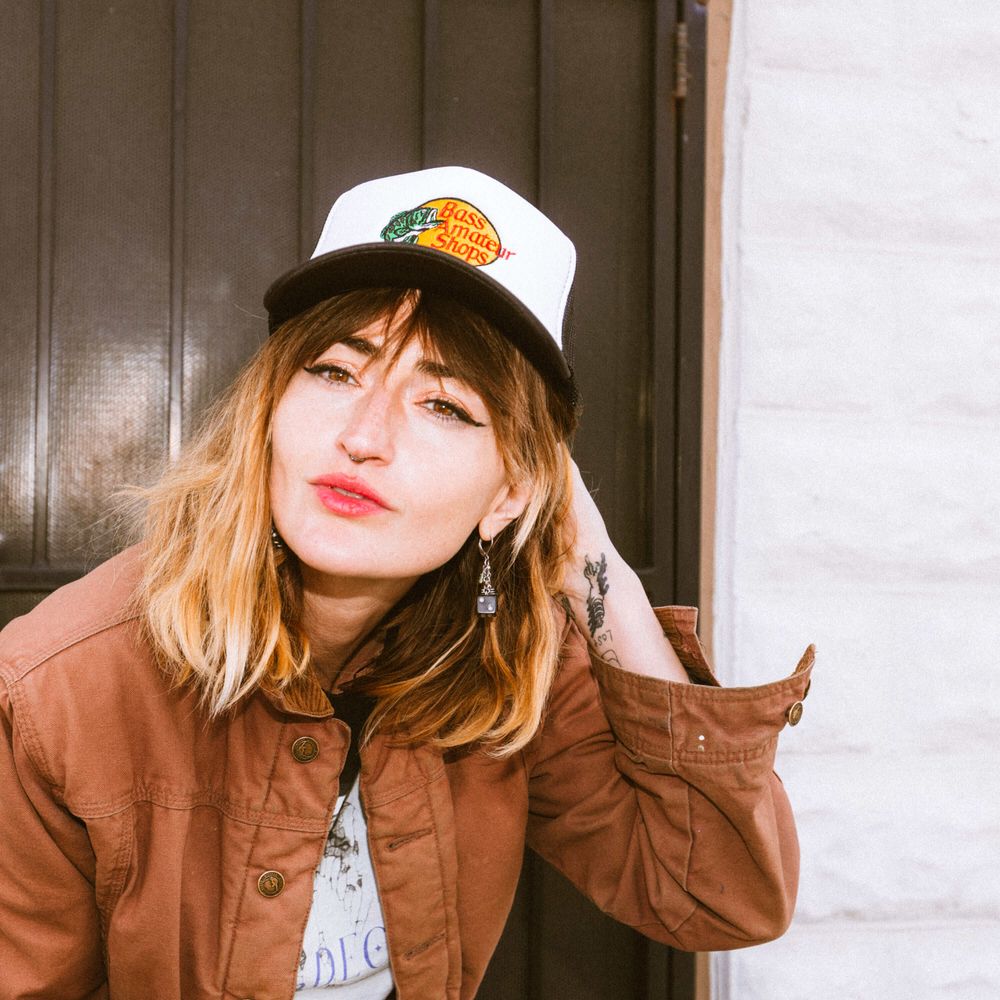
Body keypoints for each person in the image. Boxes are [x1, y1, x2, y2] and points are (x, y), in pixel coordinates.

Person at [0, 166, 814, 1000]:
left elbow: (722, 894)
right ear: (268, 407)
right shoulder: (57, 690)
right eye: (336, 371)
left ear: (512, 493)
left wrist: (600, 574)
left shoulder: (510, 664)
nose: (364, 436)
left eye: (445, 406)